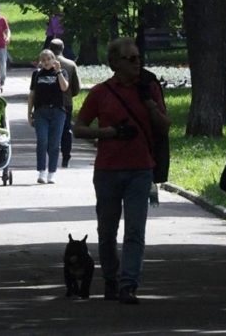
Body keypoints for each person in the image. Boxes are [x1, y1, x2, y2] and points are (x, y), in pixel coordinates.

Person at [73, 37, 170, 304]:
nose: (137, 63)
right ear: (114, 62)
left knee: (135, 231)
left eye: (138, 58)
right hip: (108, 170)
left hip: (141, 169)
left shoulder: (149, 89)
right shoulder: (101, 92)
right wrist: (107, 133)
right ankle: (111, 279)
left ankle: (128, 284)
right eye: (130, 59)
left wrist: (149, 104)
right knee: (106, 232)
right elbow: (78, 127)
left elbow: (164, 127)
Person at [28, 49, 69, 184]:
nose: (46, 62)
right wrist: (29, 113)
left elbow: (64, 88)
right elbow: (32, 94)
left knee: (54, 143)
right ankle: (42, 171)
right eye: (43, 60)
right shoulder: (37, 74)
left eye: (48, 59)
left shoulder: (62, 73)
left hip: (58, 112)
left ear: (54, 60)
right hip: (41, 112)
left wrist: (58, 72)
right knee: (42, 141)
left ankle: (52, 172)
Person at [49, 38, 81, 167]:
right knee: (66, 130)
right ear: (63, 48)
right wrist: (69, 95)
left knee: (51, 130)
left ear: (50, 49)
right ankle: (66, 157)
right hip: (66, 102)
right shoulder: (71, 64)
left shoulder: (44, 64)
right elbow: (76, 88)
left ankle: (52, 156)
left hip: (49, 103)